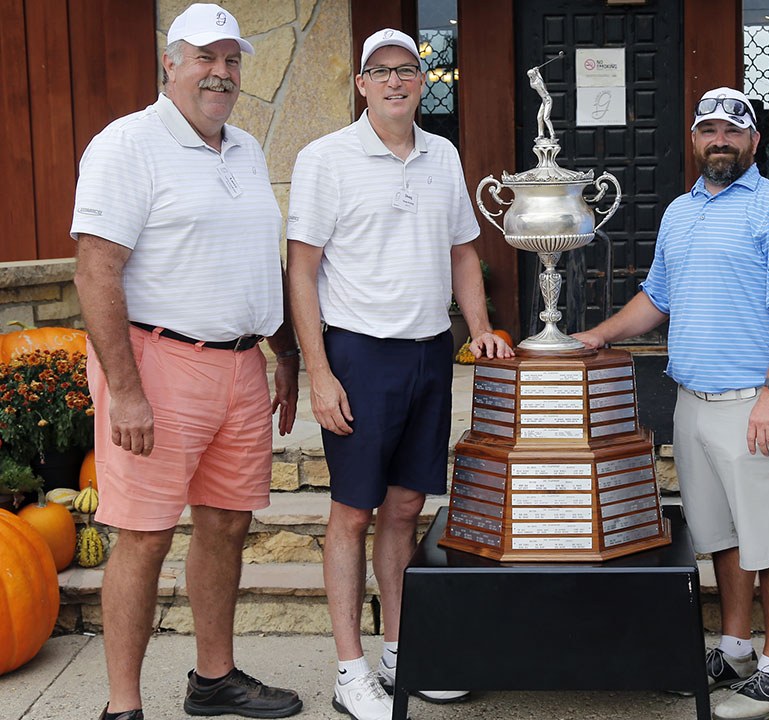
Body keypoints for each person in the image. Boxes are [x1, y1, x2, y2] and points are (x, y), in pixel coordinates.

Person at [70, 4, 303, 720]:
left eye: (231, 60)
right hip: (157, 364)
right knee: (144, 536)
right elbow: (96, 271)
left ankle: (214, 678)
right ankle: (123, 707)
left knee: (227, 524)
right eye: (205, 57)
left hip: (240, 366)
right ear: (169, 63)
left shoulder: (246, 148)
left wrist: (285, 352)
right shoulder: (126, 144)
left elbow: (259, 259)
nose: (220, 73)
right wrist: (126, 390)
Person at [574, 87, 769, 720]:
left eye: (733, 131)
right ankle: (736, 650)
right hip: (692, 401)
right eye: (709, 130)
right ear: (694, 140)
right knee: (722, 537)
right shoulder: (680, 213)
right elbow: (658, 299)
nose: (720, 141)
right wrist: (599, 334)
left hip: (754, 402)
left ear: (754, 141)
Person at [286, 27, 512, 720]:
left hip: (428, 352)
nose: (394, 81)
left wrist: (479, 328)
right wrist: (320, 373)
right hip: (359, 355)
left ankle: (400, 651)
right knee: (353, 511)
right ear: (361, 84)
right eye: (380, 71)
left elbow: (463, 252)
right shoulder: (326, 158)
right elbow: (301, 269)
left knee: (407, 508)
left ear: (421, 82)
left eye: (407, 70)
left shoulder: (443, 155)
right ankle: (349, 671)